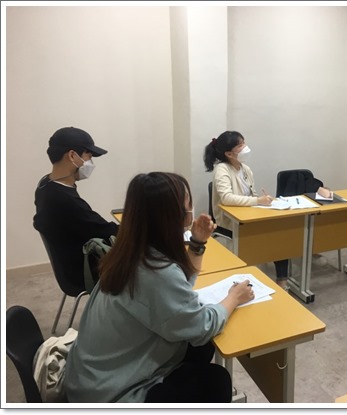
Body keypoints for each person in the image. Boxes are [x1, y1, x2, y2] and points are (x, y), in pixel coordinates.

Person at [64, 172, 255, 403]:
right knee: (216, 380)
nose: (191, 211)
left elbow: (178, 287)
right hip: (111, 395)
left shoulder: (130, 251)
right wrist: (234, 297)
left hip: (90, 378)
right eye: (188, 204)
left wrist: (197, 243)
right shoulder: (155, 271)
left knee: (201, 349)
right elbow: (202, 327)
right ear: (172, 216)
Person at [33, 127, 119, 292]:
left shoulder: (45, 185)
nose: (90, 163)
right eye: (89, 156)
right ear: (72, 155)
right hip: (84, 273)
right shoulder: (64, 200)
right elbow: (107, 231)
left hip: (69, 266)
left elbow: (92, 226)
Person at [203, 130, 291, 290]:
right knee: (271, 236)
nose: (245, 147)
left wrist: (264, 201)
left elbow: (252, 195)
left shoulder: (246, 169)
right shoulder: (222, 169)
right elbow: (227, 198)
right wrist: (257, 201)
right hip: (229, 222)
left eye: (244, 143)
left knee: (280, 233)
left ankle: (282, 281)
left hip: (249, 218)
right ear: (229, 153)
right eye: (240, 145)